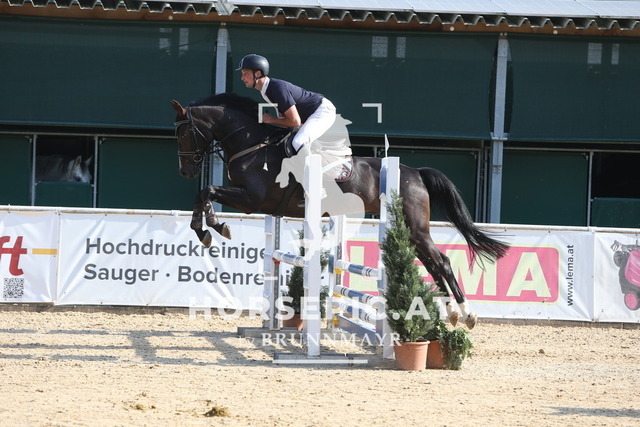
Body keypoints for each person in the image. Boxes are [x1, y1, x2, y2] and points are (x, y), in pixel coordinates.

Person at [237, 54, 337, 157]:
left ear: (258, 73)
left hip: (322, 112)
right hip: (310, 115)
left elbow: (295, 121)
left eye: (245, 73)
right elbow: (286, 119)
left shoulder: (276, 89)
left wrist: (271, 119)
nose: (242, 78)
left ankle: (313, 168)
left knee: (298, 142)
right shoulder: (265, 91)